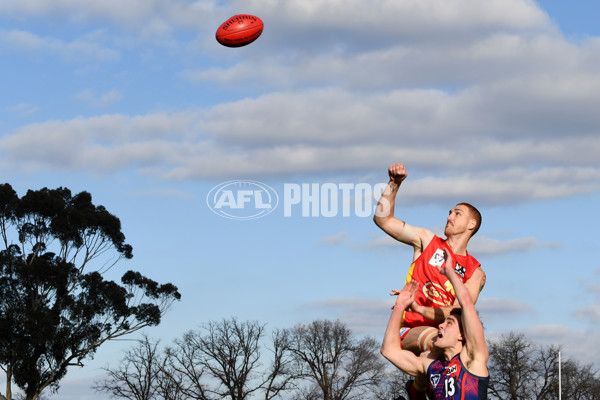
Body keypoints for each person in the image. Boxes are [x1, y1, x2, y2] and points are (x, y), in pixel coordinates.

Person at [373, 163, 486, 398]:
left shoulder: (475, 272)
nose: (449, 216)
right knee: (436, 344)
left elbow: (460, 312)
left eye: (457, 213)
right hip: (410, 329)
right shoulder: (426, 241)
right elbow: (382, 220)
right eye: (449, 211)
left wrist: (421, 307)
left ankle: (418, 388)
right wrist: (394, 184)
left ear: (471, 225)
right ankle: (417, 389)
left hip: (444, 335)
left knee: (461, 360)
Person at [381, 253, 489, 399]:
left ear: (462, 335)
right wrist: (400, 305)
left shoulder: (473, 359)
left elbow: (466, 303)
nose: (440, 325)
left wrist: (449, 272)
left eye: (449, 323)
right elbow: (388, 350)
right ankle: (417, 391)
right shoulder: (432, 367)